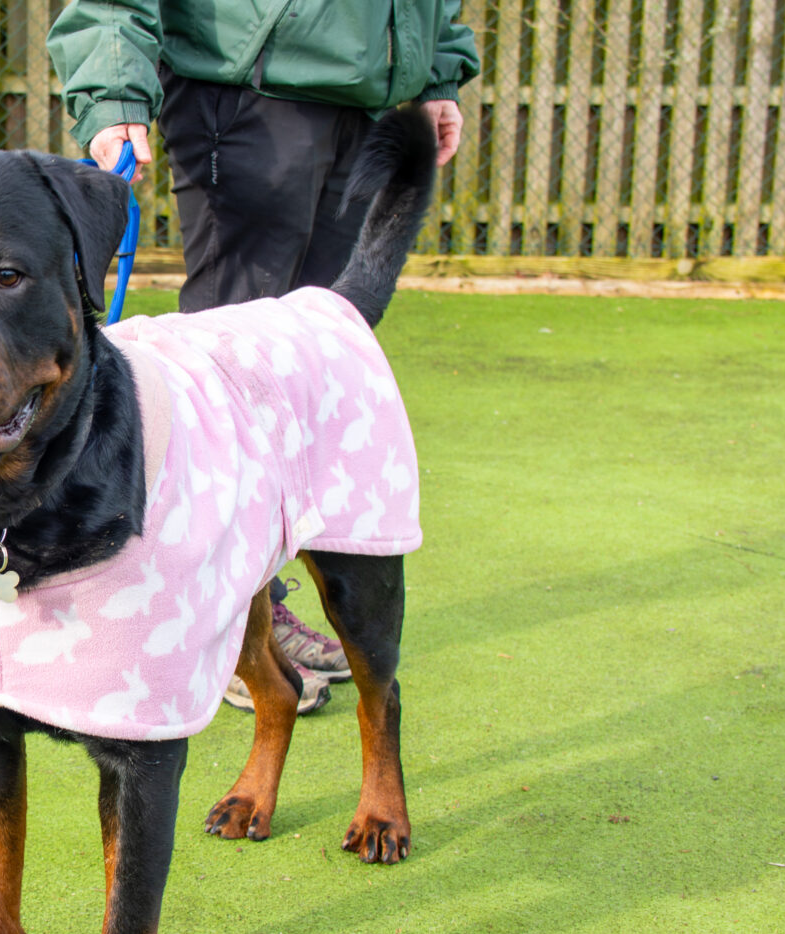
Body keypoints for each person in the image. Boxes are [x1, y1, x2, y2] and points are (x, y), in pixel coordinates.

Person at [47, 0, 479, 711]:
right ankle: (227, 629)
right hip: (244, 93)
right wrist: (114, 91)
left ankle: (258, 609)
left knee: (315, 365)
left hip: (364, 95)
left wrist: (436, 67)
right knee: (229, 388)